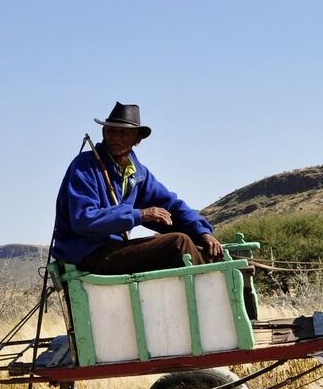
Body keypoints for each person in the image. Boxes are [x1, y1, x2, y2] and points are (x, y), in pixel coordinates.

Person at [51, 102, 223, 274]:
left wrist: (201, 232)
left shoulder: (137, 173)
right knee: (178, 243)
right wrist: (140, 215)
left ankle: (237, 269)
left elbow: (171, 206)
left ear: (137, 139)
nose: (115, 138)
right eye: (110, 131)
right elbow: (83, 219)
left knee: (205, 247)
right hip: (86, 254)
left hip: (115, 249)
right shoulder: (85, 166)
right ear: (104, 132)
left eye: (124, 133)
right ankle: (215, 285)